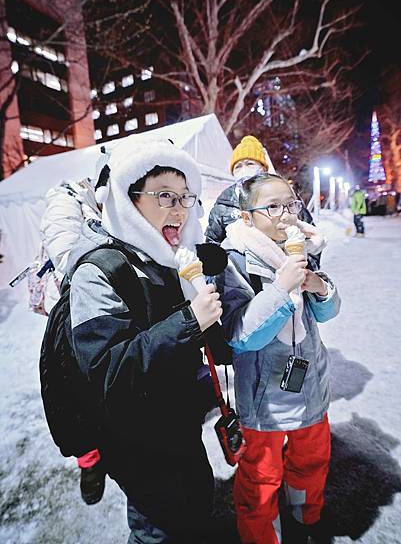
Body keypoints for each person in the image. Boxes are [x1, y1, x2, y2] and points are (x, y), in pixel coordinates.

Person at [67, 139, 222, 543]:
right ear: (128, 198)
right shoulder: (99, 270)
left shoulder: (167, 259)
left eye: (186, 197)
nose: (180, 208)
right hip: (136, 444)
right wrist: (189, 321)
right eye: (165, 196)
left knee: (195, 504)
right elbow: (108, 373)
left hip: (180, 429)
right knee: (158, 527)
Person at [214, 172, 340, 544]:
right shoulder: (234, 260)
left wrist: (317, 284)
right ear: (246, 216)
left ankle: (307, 516)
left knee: (311, 462)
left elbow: (325, 313)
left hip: (310, 385)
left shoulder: (299, 248)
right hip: (263, 398)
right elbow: (241, 335)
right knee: (260, 478)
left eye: (290, 204)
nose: (286, 215)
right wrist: (282, 288)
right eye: (273, 207)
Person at [40, 148, 109, 505]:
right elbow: (67, 253)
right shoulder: (67, 198)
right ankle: (89, 462)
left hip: (106, 304)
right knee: (73, 394)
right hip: (71, 314)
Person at [205, 135, 319, 266]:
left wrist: (306, 271)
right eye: (238, 166)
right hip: (243, 280)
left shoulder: (286, 197)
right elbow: (211, 244)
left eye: (250, 164)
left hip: (288, 273)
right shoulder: (223, 205)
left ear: (263, 169)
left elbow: (311, 238)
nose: (244, 169)